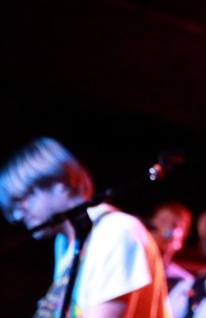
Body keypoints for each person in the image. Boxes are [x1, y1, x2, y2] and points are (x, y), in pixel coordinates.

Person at [0, 136, 171, 317]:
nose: (17, 215)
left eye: (23, 199)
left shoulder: (114, 232)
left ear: (59, 182)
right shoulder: (65, 243)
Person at [148, 201, 194, 292]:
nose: (167, 229)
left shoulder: (184, 282)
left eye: (174, 225)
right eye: (163, 221)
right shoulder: (131, 268)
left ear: (182, 239)